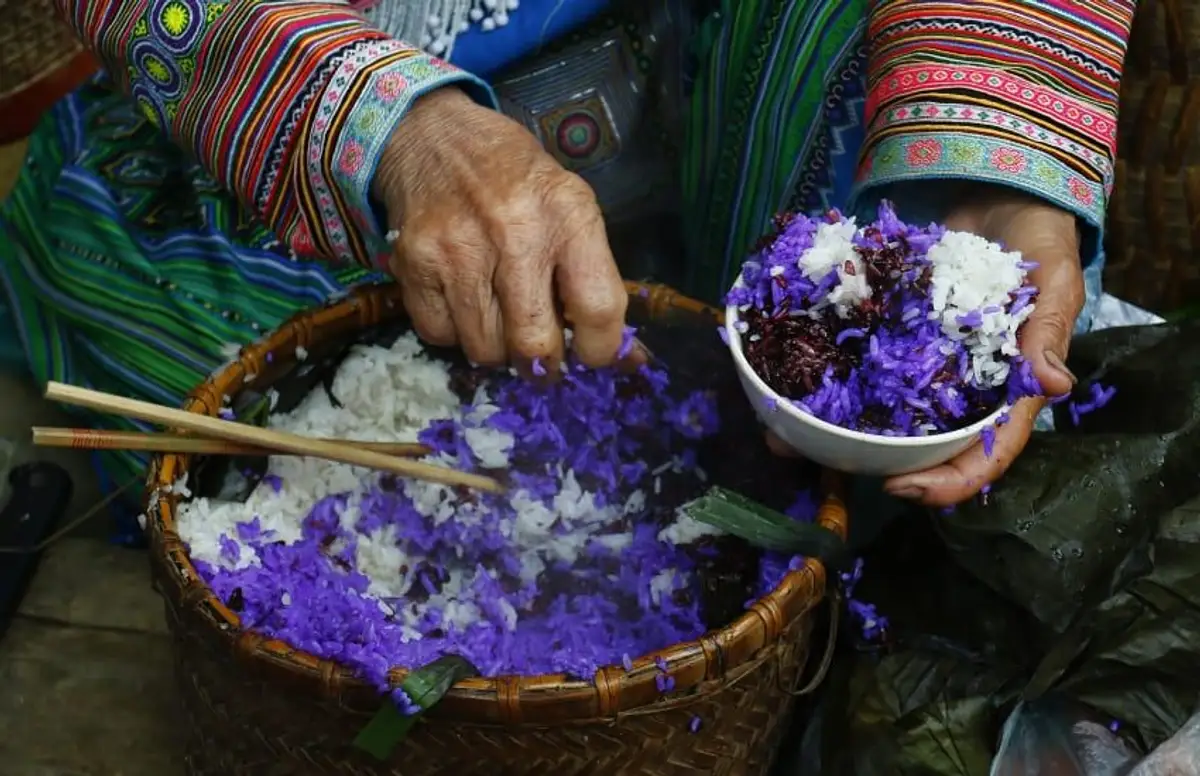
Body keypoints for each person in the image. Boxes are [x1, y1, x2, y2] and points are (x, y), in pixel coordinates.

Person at [0, 0, 1134, 513]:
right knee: (284, 449)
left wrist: (986, 164)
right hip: (290, 77)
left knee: (860, 310)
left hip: (689, 65)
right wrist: (392, 122)